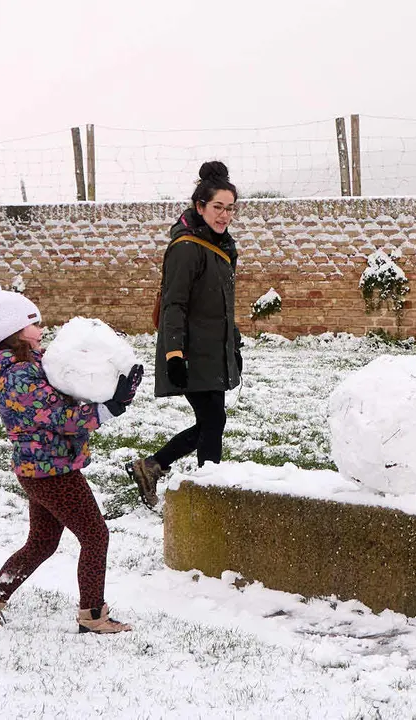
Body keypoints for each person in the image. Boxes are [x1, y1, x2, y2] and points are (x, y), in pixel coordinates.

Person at [0, 279, 143, 633]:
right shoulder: (17, 377)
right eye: (35, 323)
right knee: (95, 536)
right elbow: (61, 417)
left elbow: (72, 380)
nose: (42, 328)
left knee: (42, 543)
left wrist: (110, 372)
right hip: (50, 471)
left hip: (42, 467)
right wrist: (111, 409)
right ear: (14, 330)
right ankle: (93, 615)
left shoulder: (32, 363)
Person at [126, 160, 243, 508]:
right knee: (212, 421)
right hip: (190, 352)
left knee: (212, 421)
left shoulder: (220, 245)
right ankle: (208, 489)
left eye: (230, 209)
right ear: (200, 207)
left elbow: (218, 303)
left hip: (213, 349)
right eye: (218, 208)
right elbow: (174, 304)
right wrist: (174, 355)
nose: (224, 216)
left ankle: (153, 466)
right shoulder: (187, 247)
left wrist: (231, 339)